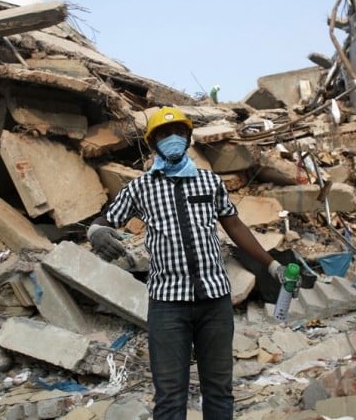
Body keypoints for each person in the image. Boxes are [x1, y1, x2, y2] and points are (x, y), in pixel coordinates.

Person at [87, 106, 283, 420]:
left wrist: (271, 265)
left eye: (179, 132)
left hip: (215, 302)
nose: (173, 138)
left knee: (219, 391)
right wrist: (96, 231)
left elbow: (235, 226)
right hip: (168, 306)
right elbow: (106, 219)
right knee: (169, 397)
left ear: (188, 136)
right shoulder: (140, 188)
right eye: (164, 134)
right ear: (153, 143)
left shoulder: (209, 182)